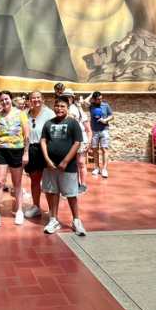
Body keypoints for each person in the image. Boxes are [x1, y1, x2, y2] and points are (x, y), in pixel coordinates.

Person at [39, 95, 88, 236]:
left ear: (67, 108)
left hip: (68, 167)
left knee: (71, 194)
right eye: (57, 106)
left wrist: (65, 161)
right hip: (50, 166)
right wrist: (47, 160)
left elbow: (77, 143)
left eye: (62, 106)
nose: (59, 109)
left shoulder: (73, 123)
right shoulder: (48, 123)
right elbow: (43, 141)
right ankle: (53, 219)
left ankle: (76, 220)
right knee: (52, 192)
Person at [0, 90, 28, 228]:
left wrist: (26, 152)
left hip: (17, 150)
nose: (5, 102)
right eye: (2, 100)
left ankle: (19, 211)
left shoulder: (21, 114)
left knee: (17, 183)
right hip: (0, 150)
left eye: (7, 99)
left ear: (11, 100)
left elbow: (26, 135)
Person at [21, 90, 56, 225]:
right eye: (33, 98)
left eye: (38, 98)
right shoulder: (25, 115)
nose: (35, 100)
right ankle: (36, 206)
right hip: (32, 149)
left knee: (48, 182)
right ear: (29, 100)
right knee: (35, 179)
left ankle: (52, 212)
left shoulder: (49, 114)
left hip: (46, 149)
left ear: (42, 99)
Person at [88, 91, 114, 178]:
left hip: (104, 130)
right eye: (98, 99)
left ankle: (104, 169)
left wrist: (105, 120)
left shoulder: (105, 105)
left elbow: (112, 116)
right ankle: (96, 168)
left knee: (104, 149)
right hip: (94, 131)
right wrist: (90, 95)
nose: (100, 100)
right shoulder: (91, 106)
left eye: (101, 98)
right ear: (94, 99)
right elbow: (83, 102)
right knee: (95, 150)